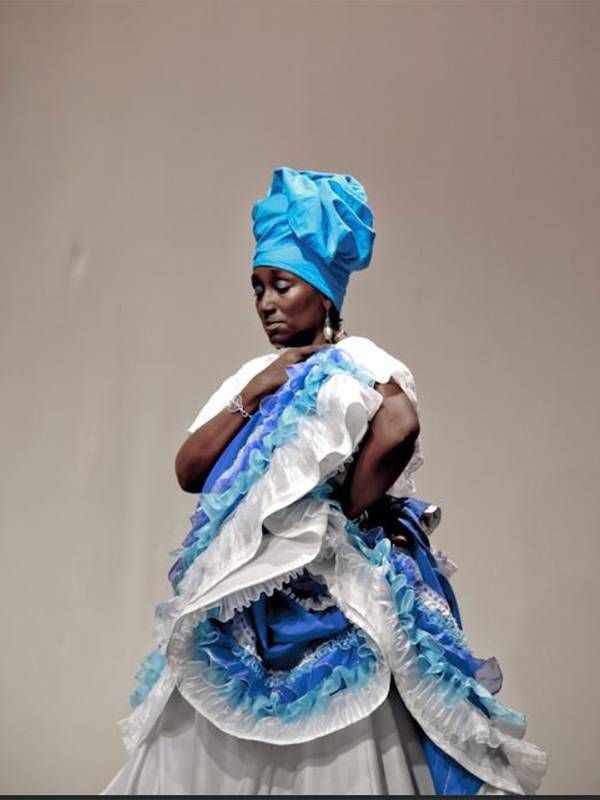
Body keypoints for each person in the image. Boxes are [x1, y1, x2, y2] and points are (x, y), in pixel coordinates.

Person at [102, 167, 548, 795]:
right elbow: (189, 469)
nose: (266, 303)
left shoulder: (359, 360)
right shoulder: (255, 374)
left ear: (322, 292)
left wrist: (336, 511)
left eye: (281, 285)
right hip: (248, 591)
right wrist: (258, 390)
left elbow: (398, 425)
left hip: (331, 592)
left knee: (339, 745)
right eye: (256, 287)